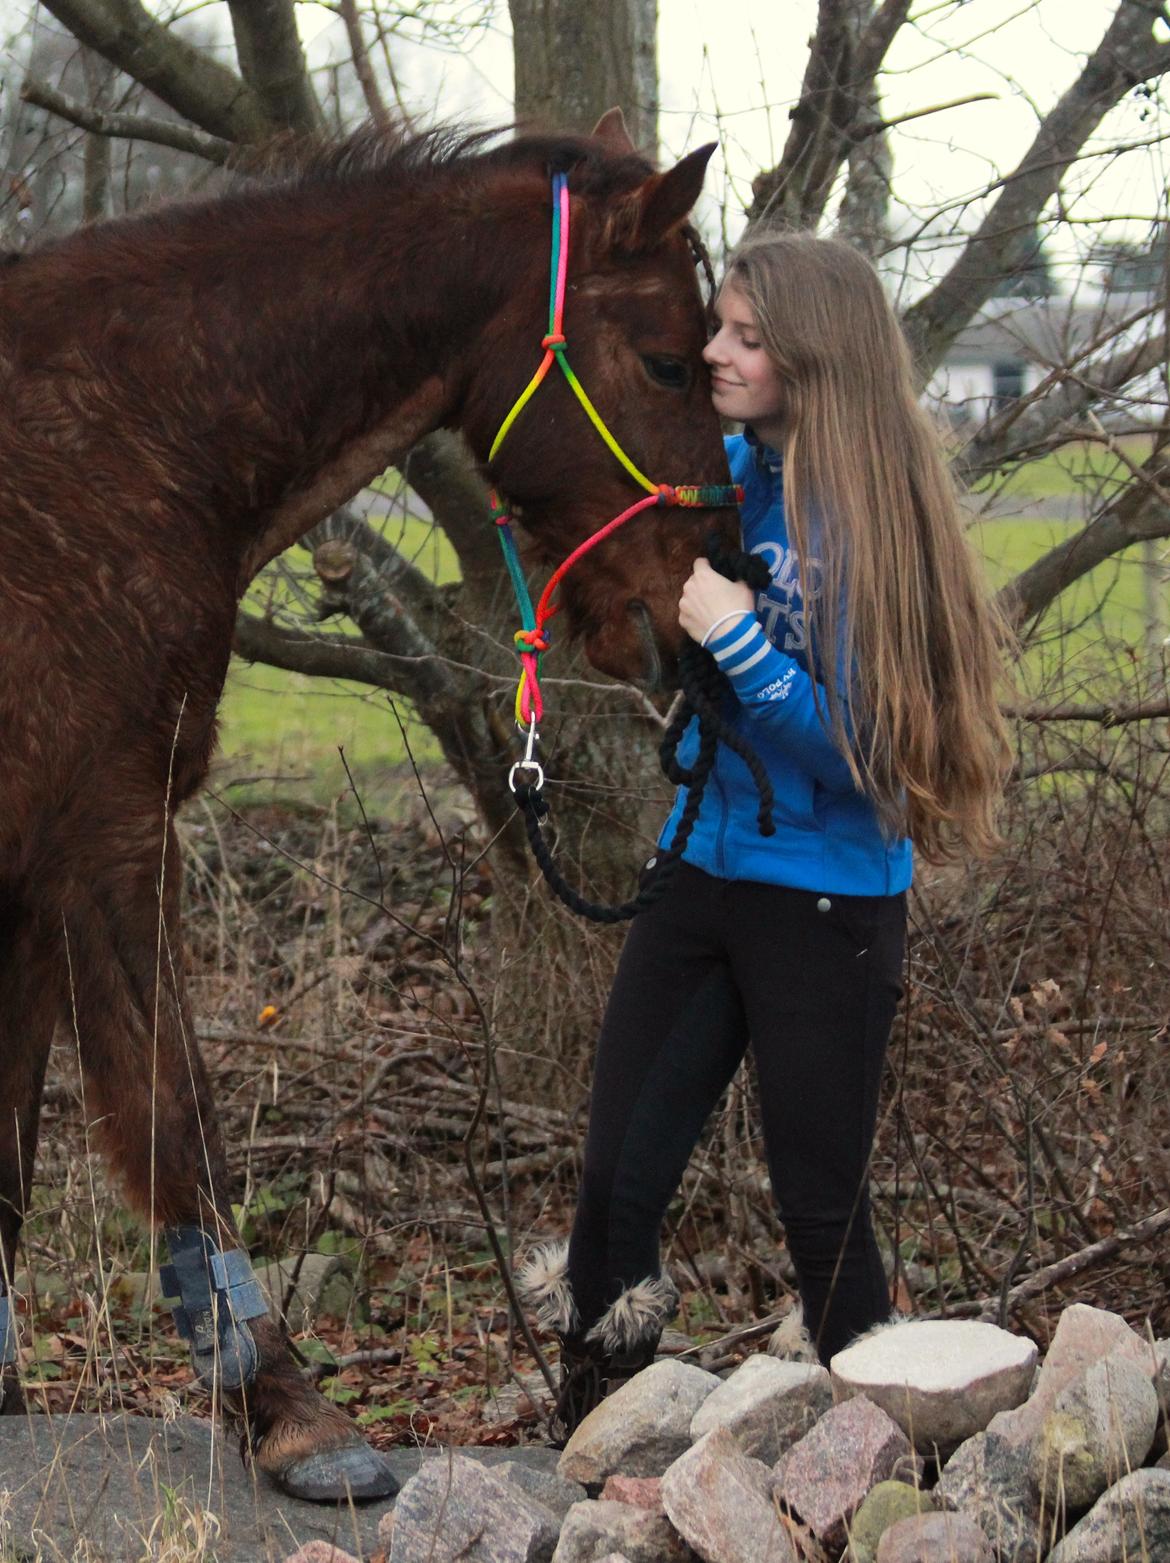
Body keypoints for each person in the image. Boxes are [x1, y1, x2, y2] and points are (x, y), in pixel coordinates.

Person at [518, 230, 1011, 1435]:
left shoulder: (877, 524)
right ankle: (592, 1450)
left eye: (746, 336)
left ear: (814, 355)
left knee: (822, 1215)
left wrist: (741, 640)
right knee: (615, 1186)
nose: (717, 352)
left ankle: (880, 1472)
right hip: (701, 869)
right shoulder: (726, 477)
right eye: (720, 329)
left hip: (829, 899)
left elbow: (879, 757)